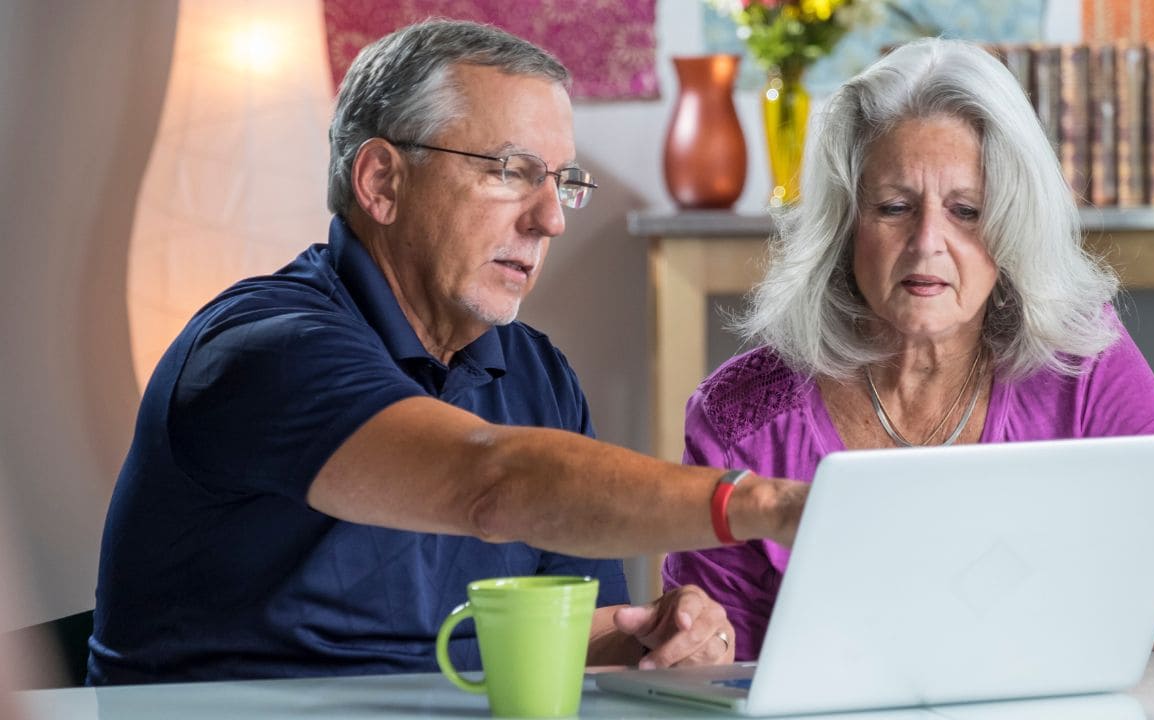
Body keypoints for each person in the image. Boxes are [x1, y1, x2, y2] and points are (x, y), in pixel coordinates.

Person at [87, 20, 809, 685]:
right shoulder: (263, 351)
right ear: (381, 182)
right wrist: (770, 504)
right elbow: (490, 481)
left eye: (562, 181)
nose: (551, 218)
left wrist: (660, 638)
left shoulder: (536, 373)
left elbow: (574, 633)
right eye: (510, 169)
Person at [663, 38, 1154, 660]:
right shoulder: (739, 415)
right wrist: (700, 639)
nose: (927, 243)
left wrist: (969, 633)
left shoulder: (1080, 358)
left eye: (966, 211)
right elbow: (718, 656)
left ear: (1012, 224)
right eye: (894, 207)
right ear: (844, 223)